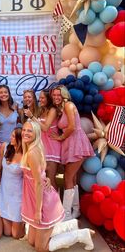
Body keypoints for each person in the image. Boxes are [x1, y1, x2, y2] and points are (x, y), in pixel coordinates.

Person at [21, 120, 95, 251]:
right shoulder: (32, 148)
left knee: (40, 248)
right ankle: (70, 225)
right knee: (32, 242)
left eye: (29, 131)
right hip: (35, 196)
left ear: (36, 133)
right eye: (24, 130)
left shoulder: (32, 152)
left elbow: (38, 183)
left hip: (42, 200)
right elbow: (41, 172)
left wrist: (38, 211)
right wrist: (46, 179)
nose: (25, 133)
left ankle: (81, 235)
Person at [50, 85, 95, 221]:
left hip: (75, 142)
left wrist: (60, 138)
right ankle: (76, 210)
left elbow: (72, 127)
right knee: (73, 178)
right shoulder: (61, 108)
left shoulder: (69, 105)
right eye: (54, 95)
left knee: (67, 178)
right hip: (69, 144)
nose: (56, 97)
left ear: (64, 95)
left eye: (59, 95)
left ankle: (66, 214)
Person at [28, 90, 61, 190]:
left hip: (51, 146)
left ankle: (55, 204)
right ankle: (45, 203)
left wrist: (32, 117)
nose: (40, 100)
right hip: (41, 146)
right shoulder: (42, 110)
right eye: (40, 98)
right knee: (42, 178)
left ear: (48, 99)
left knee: (50, 179)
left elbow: (45, 128)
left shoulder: (53, 110)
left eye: (42, 98)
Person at [0, 126, 25, 239]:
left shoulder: (25, 155)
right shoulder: (5, 146)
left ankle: (26, 224)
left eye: (13, 136)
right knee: (7, 233)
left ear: (20, 139)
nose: (10, 137)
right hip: (4, 194)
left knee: (16, 235)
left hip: (17, 196)